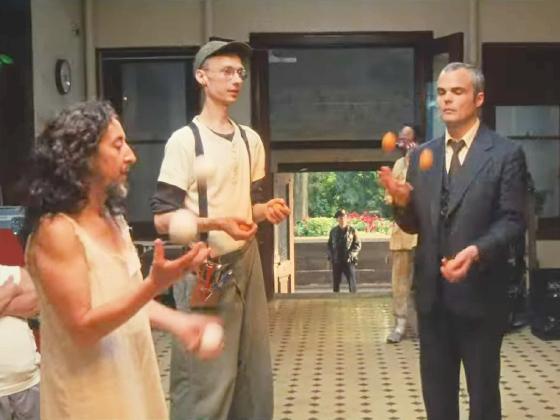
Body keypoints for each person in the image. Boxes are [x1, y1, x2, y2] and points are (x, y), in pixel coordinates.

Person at [23, 100, 222, 420]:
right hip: (87, 399)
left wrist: (177, 322)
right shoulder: (56, 231)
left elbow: (123, 299)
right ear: (83, 156)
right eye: (117, 145)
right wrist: (154, 284)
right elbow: (82, 328)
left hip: (134, 384)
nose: (131, 155)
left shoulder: (113, 218)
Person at [151, 40, 290, 420]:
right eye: (226, 71)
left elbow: (248, 207)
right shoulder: (185, 141)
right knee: (207, 377)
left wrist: (266, 210)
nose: (236, 80)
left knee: (253, 372)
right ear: (202, 76)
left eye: (240, 73)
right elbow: (162, 219)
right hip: (205, 265)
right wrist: (216, 223)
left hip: (247, 262)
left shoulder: (249, 140)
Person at [379, 62, 527, 420]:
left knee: (483, 400)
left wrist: (476, 251)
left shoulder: (505, 154)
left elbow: (513, 221)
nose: (446, 99)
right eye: (442, 93)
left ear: (479, 98)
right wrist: (401, 202)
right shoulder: (423, 156)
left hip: (481, 296)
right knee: (438, 401)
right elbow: (415, 225)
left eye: (457, 92)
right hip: (432, 299)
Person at [385, 125, 418, 343]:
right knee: (400, 282)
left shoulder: (427, 161)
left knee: (424, 282)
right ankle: (400, 324)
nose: (403, 143)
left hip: (423, 234)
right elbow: (390, 195)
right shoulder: (398, 164)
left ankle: (423, 326)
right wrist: (396, 196)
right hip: (401, 233)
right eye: (401, 139)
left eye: (407, 139)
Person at [0, 265, 40, 420]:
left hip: (29, 382)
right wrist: (10, 291)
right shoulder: (14, 282)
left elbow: (36, 302)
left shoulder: (15, 272)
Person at [327, 209, 361, 293]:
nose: (342, 220)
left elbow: (357, 245)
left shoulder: (352, 230)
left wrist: (352, 254)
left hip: (348, 260)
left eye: (343, 218)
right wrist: (331, 256)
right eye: (340, 218)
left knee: (352, 282)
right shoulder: (333, 231)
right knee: (336, 283)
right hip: (337, 260)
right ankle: (335, 298)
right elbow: (329, 245)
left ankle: (353, 298)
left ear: (346, 218)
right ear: (337, 219)